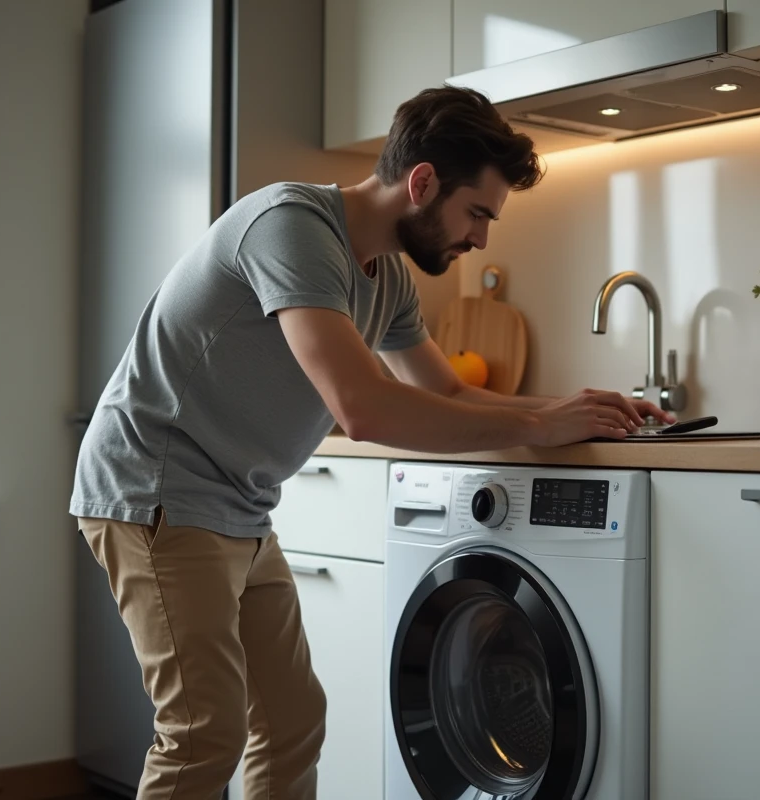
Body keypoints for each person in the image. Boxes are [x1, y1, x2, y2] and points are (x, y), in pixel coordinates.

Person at [70, 84, 674, 800]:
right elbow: (362, 408)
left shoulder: (385, 276)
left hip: (238, 505)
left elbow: (446, 391)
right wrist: (538, 426)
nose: (482, 237)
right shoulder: (290, 228)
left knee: (292, 720)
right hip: (158, 492)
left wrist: (573, 406)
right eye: (477, 212)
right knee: (205, 731)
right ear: (422, 183)